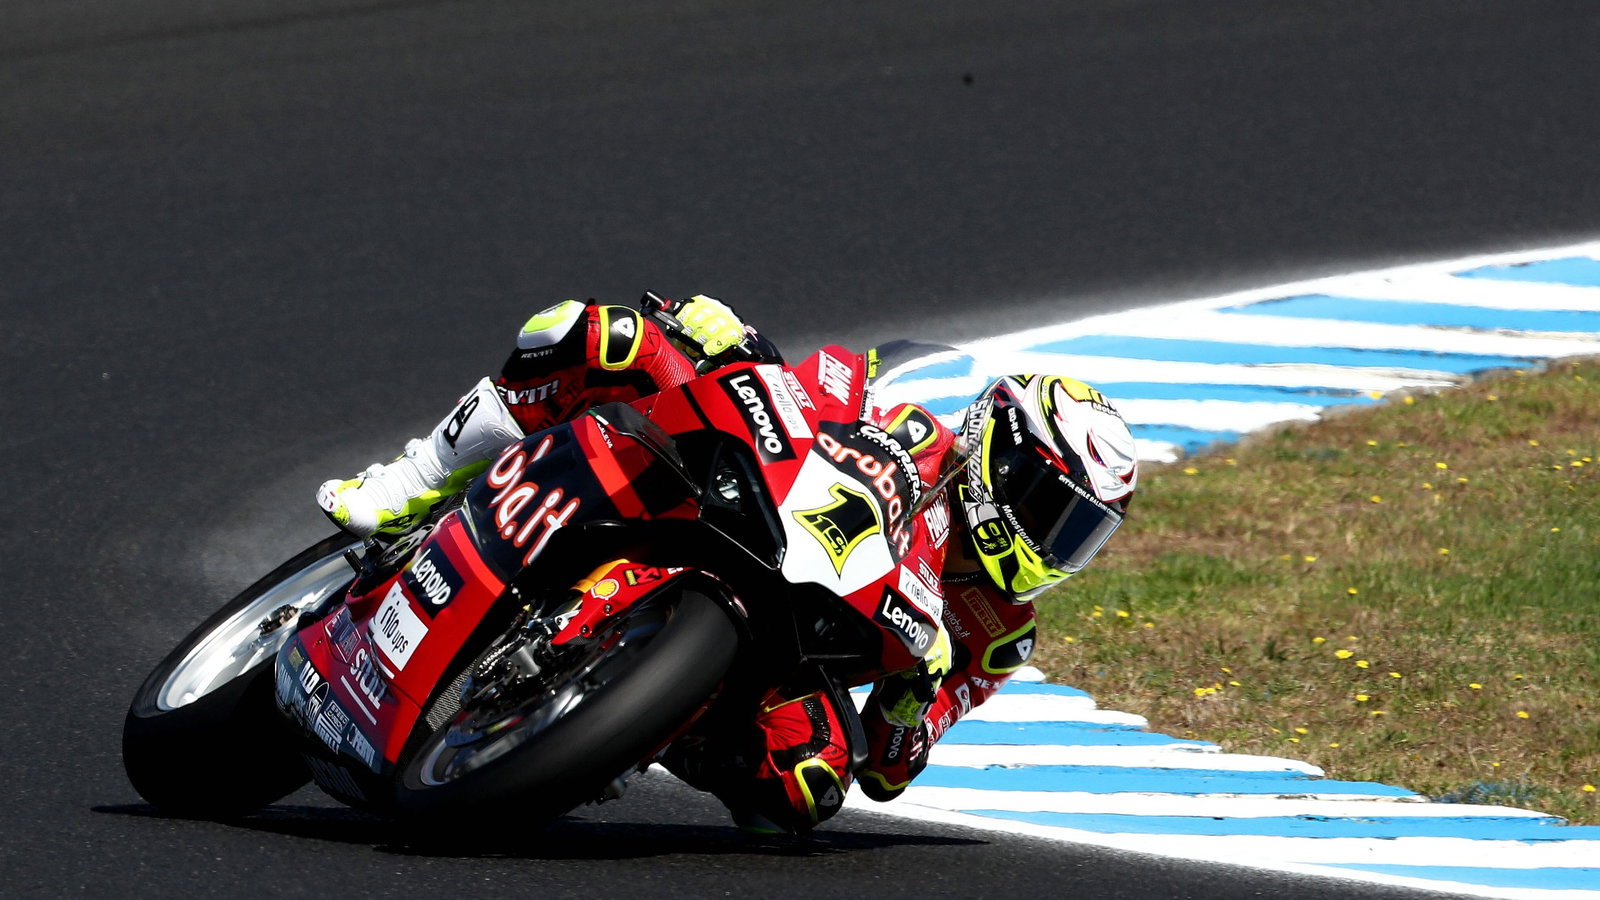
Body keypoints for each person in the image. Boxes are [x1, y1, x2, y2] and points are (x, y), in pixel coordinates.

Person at [318, 294, 1139, 833]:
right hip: (738, 498)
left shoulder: (999, 635)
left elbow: (891, 771)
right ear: (1003, 456)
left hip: (792, 647)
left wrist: (906, 697)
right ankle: (415, 483)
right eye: (1051, 511)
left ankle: (619, 727)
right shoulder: (917, 403)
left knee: (808, 789)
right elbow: (816, 387)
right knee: (602, 335)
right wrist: (734, 343)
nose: (1056, 544)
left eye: (1081, 535)